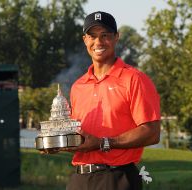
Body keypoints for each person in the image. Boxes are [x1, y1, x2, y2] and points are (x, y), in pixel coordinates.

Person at [65, 11, 161, 190]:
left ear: (116, 38)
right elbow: (79, 136)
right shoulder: (78, 86)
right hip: (79, 179)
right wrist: (58, 143)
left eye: (105, 36)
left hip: (117, 178)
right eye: (92, 36)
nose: (98, 42)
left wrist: (103, 142)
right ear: (85, 39)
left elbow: (152, 132)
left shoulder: (134, 79)